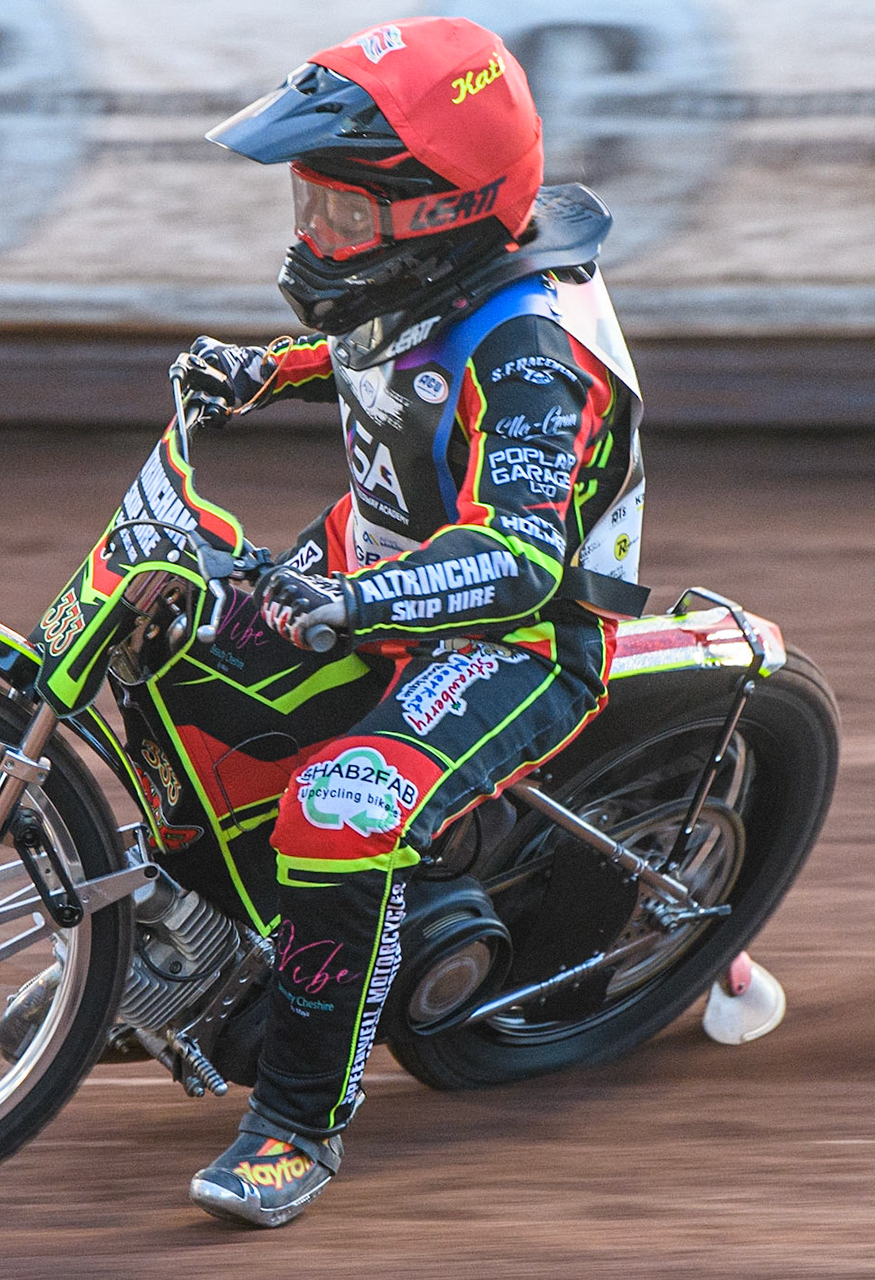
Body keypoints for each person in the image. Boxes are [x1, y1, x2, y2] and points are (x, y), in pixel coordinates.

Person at [169, 16, 647, 1227]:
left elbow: (526, 559)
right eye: (306, 202)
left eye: (340, 214)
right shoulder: (423, 276)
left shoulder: (536, 356)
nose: (310, 233)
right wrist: (262, 370)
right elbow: (379, 349)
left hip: (514, 637)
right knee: (172, 655)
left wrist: (355, 603)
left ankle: (295, 1125)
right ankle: (191, 941)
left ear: (441, 211)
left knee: (338, 808)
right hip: (373, 568)